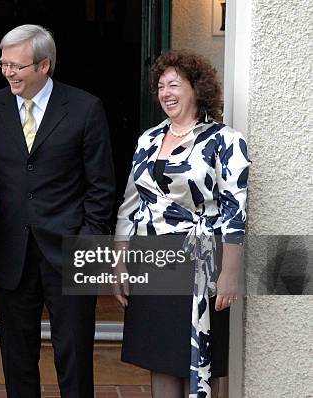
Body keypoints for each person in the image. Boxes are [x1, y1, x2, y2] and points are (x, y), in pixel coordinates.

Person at [0, 25, 115, 397]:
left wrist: (89, 247)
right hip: (12, 251)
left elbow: (101, 186)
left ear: (44, 66)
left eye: (17, 66)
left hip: (72, 251)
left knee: (74, 356)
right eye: (3, 64)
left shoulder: (86, 108)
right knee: (17, 357)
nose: (8, 72)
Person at [114, 50, 251, 398]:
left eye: (174, 84)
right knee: (160, 358)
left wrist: (230, 273)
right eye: (160, 86)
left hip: (200, 261)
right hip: (152, 260)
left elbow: (235, 211)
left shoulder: (226, 140)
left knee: (198, 361)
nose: (165, 93)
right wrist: (119, 262)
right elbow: (130, 204)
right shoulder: (148, 139)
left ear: (196, 89)